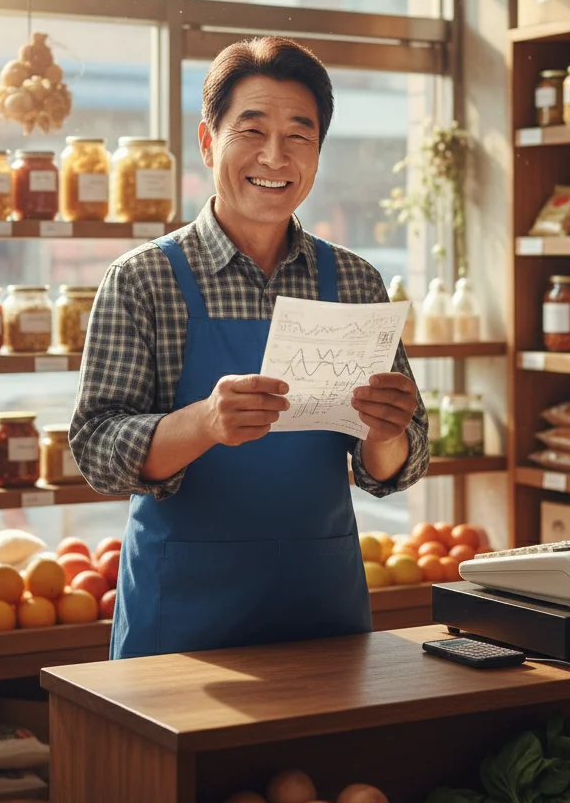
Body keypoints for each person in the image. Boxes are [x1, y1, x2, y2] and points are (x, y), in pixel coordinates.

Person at [71, 36, 430, 659]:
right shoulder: (143, 279)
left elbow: (396, 468)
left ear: (317, 154)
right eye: (252, 129)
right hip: (179, 618)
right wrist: (205, 422)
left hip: (323, 609)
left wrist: (387, 430)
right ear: (209, 142)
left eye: (299, 134)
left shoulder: (354, 281)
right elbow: (97, 450)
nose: (276, 155)